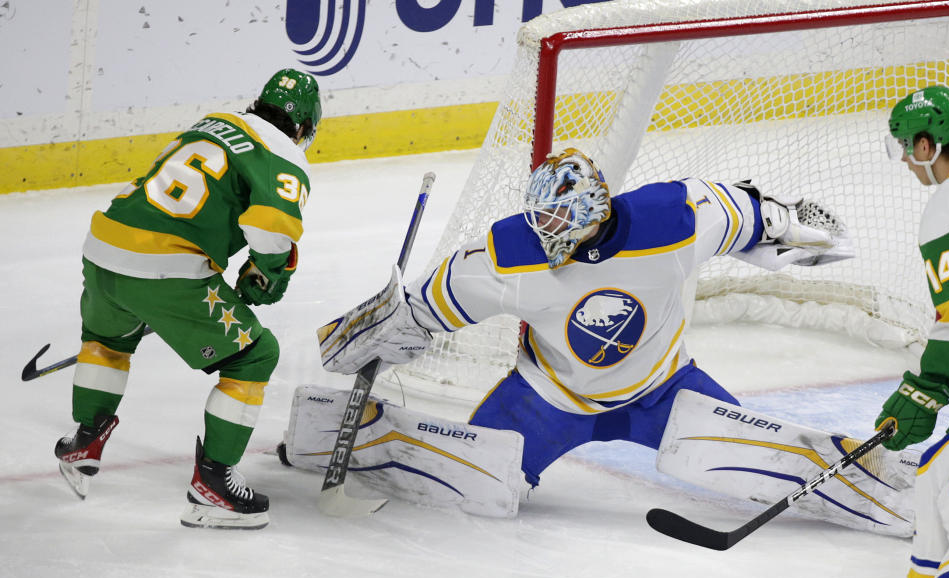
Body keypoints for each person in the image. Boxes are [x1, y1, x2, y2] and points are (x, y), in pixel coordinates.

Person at [318, 148, 852, 490]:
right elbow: (425, 302)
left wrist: (785, 225)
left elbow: (747, 212)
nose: (546, 229)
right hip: (548, 399)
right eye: (540, 216)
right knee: (466, 481)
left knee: (768, 467)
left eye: (559, 216)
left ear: (592, 209)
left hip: (665, 387)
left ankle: (867, 483)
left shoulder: (671, 221)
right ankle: (361, 438)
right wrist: (380, 328)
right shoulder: (512, 254)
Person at [53, 68, 321, 530]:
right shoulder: (282, 152)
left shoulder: (212, 123)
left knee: (106, 342)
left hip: (103, 247)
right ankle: (213, 487)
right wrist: (267, 273)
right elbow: (272, 229)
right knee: (255, 357)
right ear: (302, 128)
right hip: (167, 269)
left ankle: (84, 439)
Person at [878, 85, 949, 578]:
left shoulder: (948, 204)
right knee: (939, 472)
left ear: (930, 145)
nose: (907, 162)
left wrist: (924, 389)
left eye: (909, 148)